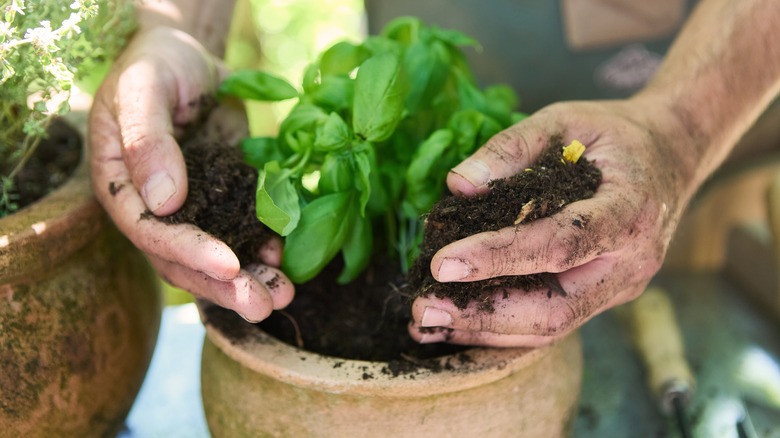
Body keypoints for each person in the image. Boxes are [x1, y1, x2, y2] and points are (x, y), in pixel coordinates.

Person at [89, 0, 780, 347]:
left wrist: (683, 127)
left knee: (714, 329)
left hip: (720, 118)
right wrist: (178, 26)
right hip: (457, 70)